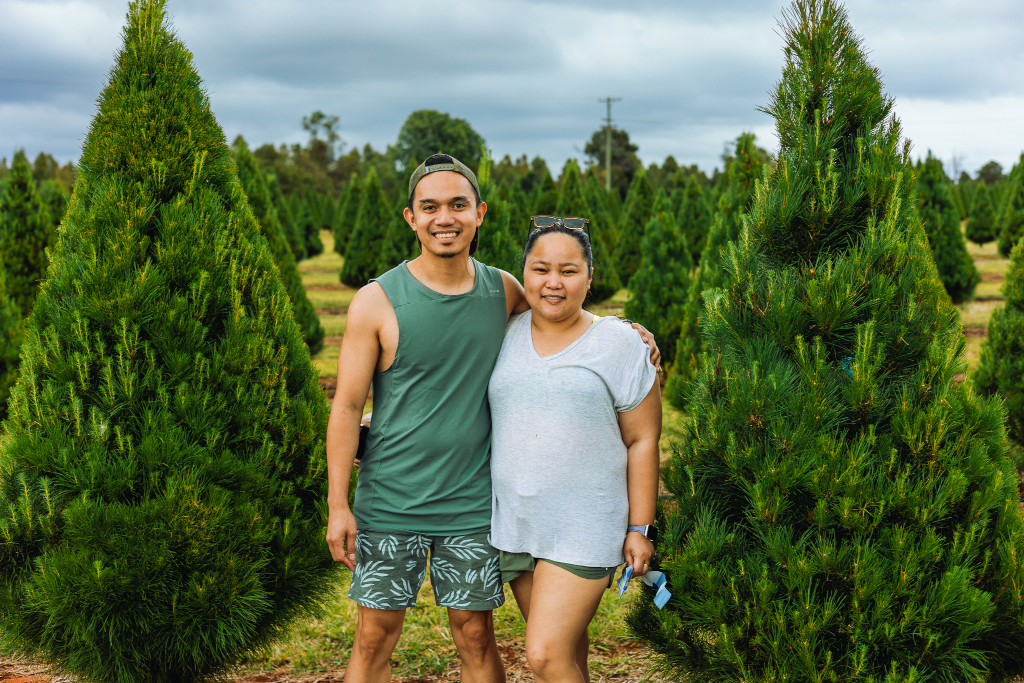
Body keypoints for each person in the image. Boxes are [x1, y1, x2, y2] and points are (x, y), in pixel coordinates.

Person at [324, 154, 660, 683]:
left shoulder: (501, 291)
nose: (445, 218)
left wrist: (630, 332)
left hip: (473, 506)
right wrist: (338, 503)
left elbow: (566, 314)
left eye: (459, 205)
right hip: (391, 500)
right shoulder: (375, 301)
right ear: (410, 218)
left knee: (476, 636)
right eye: (430, 207)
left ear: (479, 213)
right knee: (372, 638)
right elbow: (346, 405)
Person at [488, 218, 662, 683]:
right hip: (517, 523)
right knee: (568, 650)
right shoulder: (500, 333)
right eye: (540, 268)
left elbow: (642, 440)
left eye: (568, 271)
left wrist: (639, 527)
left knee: (544, 654)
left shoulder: (620, 343)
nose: (553, 283)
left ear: (590, 276)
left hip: (584, 524)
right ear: (522, 273)